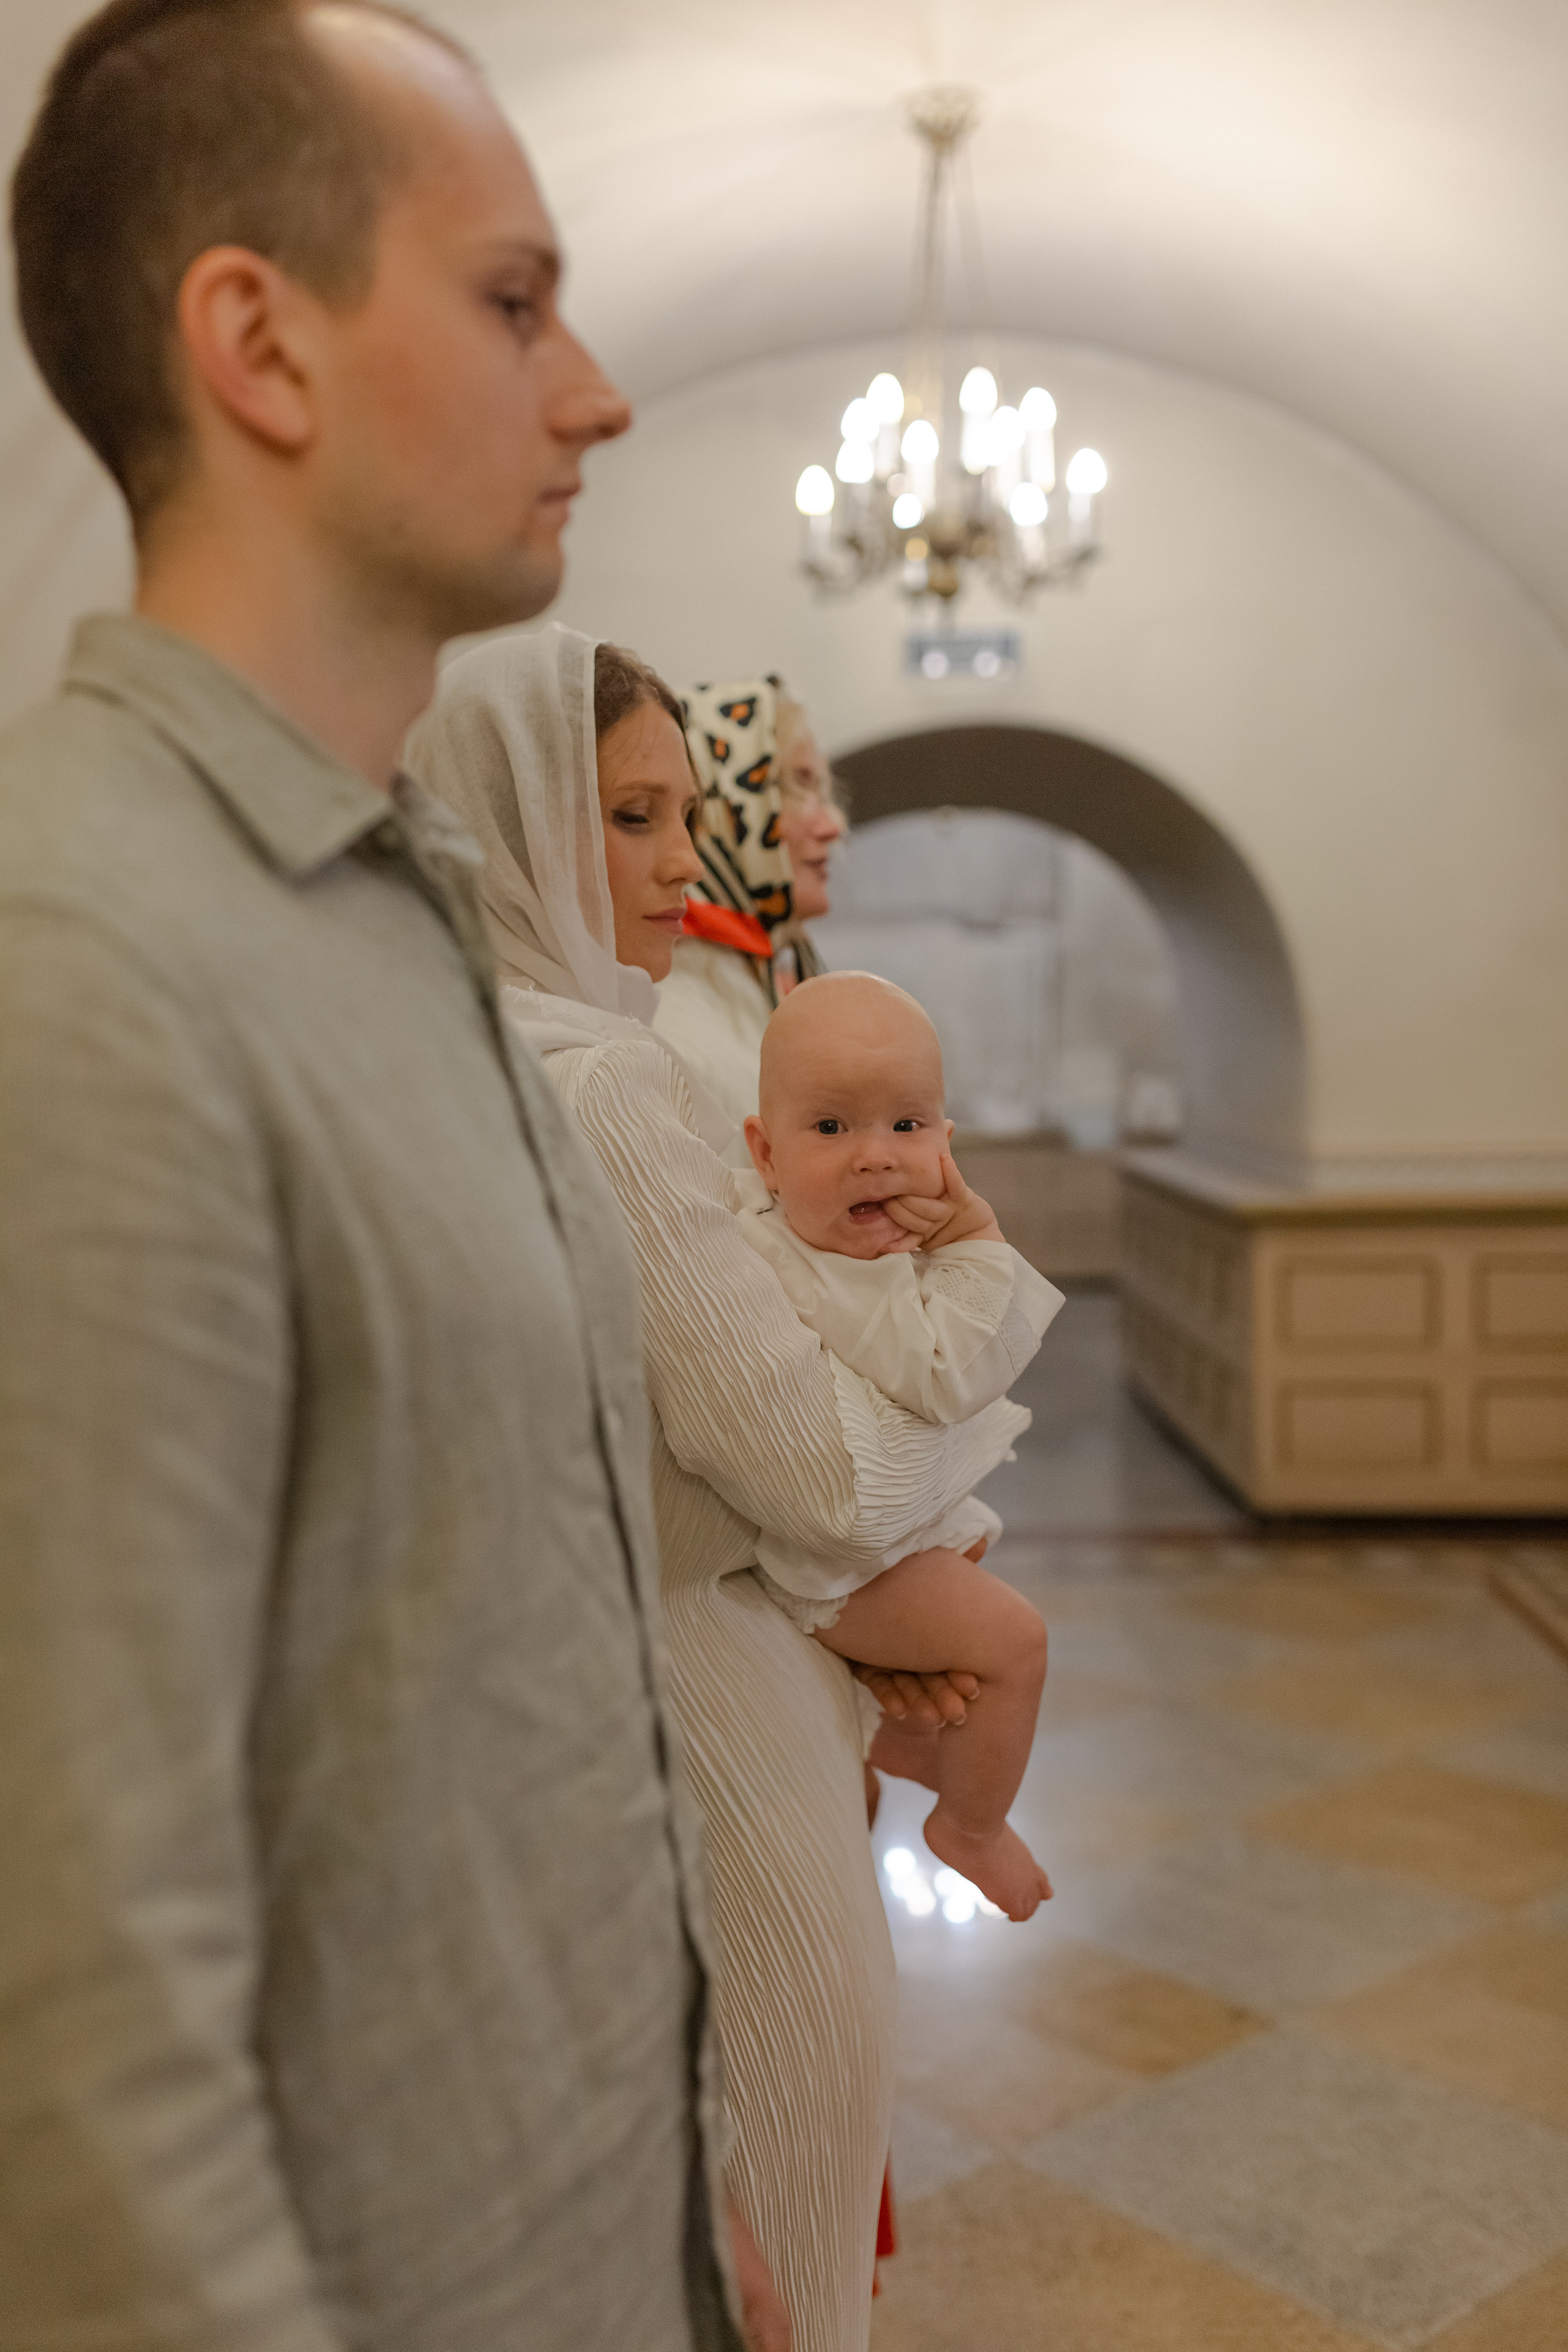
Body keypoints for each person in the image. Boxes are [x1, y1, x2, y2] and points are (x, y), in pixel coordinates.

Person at [0, 6, 749, 2348]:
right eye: (513, 301)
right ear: (260, 343)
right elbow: (78, 2007)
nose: (592, 392)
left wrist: (682, 2182)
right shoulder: (81, 958)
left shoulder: (395, 900)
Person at [406, 627, 1039, 2352]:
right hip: (709, 1682)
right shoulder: (604, 1077)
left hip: (569, 1691)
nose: (678, 859)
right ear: (508, 820)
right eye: (628, 815)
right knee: (789, 2225)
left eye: (685, 812)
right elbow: (813, 1472)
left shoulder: (442, 1049)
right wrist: (943, 1515)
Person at [737, 972, 1060, 1920]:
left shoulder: (810, 1243)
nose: (876, 1157)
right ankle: (971, 1827)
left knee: (971, 1571)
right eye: (832, 1127)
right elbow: (954, 1375)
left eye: (907, 1127)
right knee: (1016, 1642)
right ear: (765, 1153)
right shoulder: (836, 1278)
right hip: (837, 1564)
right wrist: (976, 1237)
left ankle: (902, 1735)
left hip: (873, 1544)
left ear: (945, 1145)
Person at [654, 675, 844, 1135]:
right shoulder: (672, 1017)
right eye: (795, 787)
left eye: (821, 792)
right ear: (722, 806)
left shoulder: (748, 979)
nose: (832, 826)